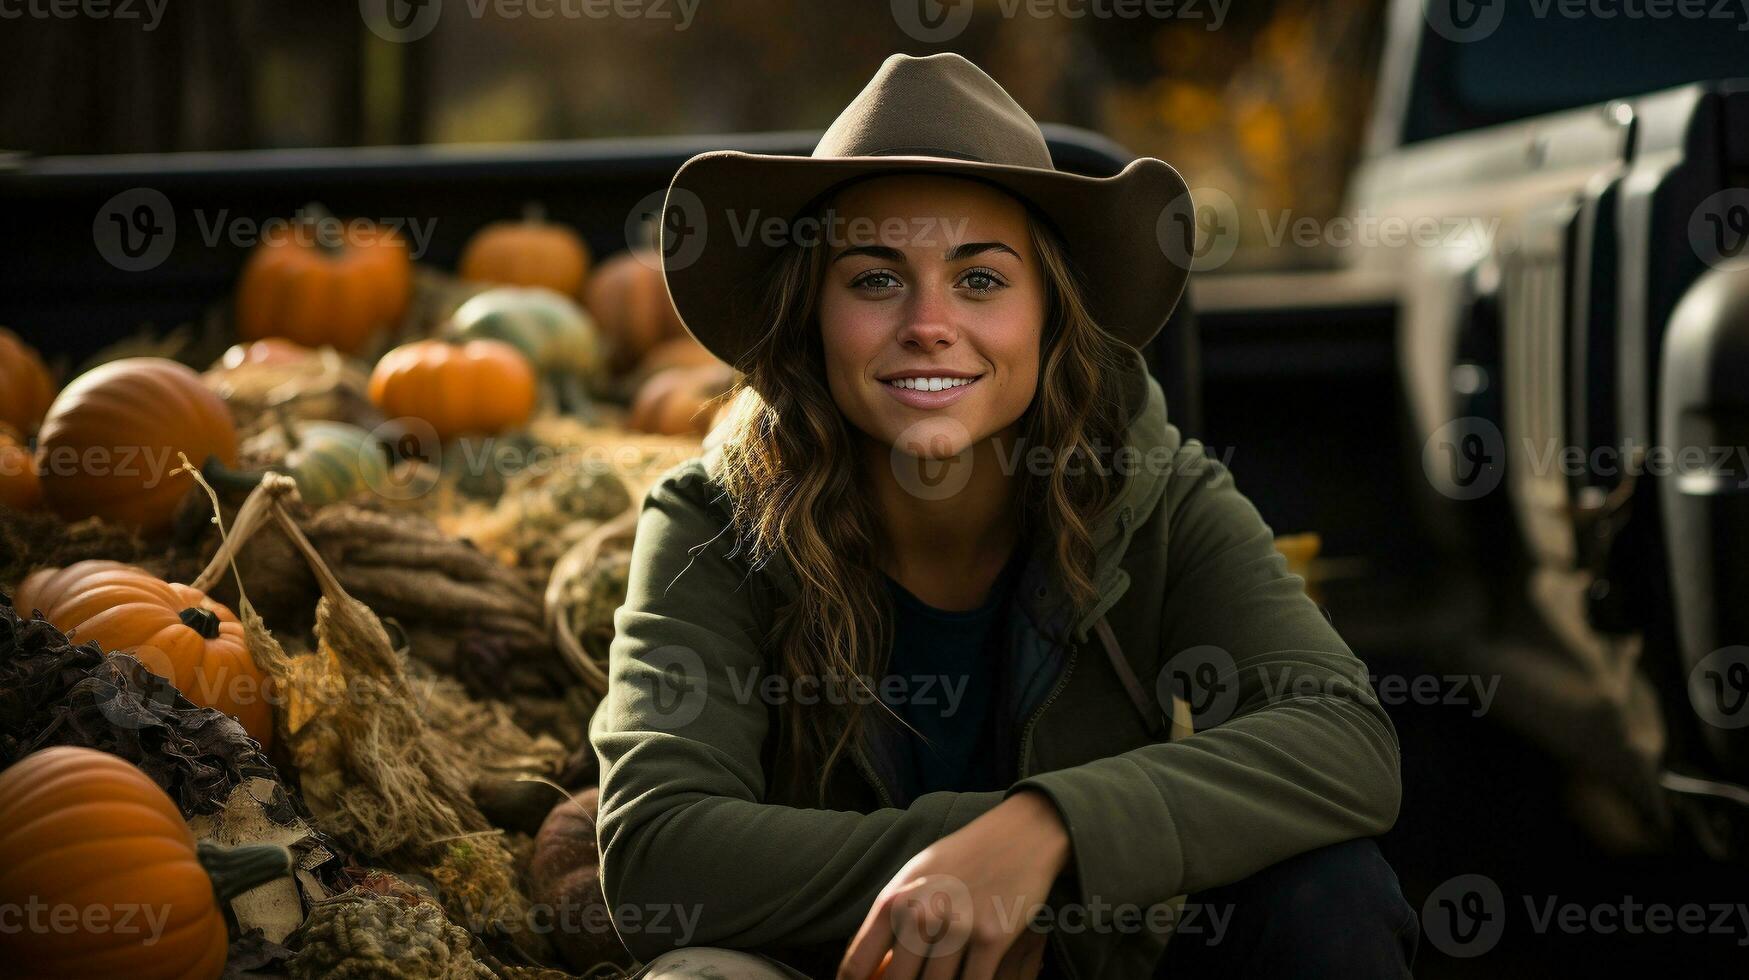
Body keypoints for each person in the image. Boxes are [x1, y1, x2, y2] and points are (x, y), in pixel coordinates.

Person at [588, 52, 1417, 980]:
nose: (928, 323)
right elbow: (660, 851)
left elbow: (1342, 737)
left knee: (1330, 889)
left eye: (980, 279)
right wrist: (971, 864)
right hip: (843, 971)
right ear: (810, 312)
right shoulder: (713, 519)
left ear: (1049, 316)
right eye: (873, 279)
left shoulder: (1154, 489)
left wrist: (1049, 831)